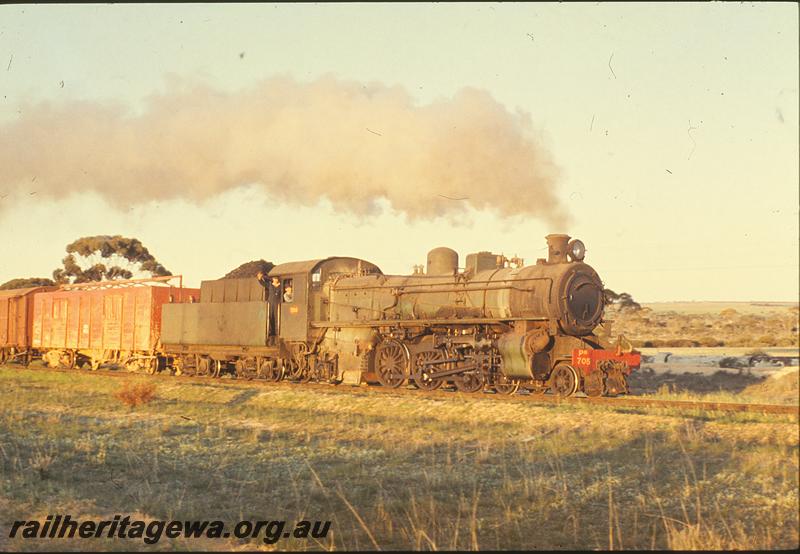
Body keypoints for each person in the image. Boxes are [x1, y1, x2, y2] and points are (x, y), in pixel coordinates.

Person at [257, 272, 282, 344]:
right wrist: (259, 279)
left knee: (277, 319)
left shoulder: (281, 286)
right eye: (274, 278)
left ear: (278, 279)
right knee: (270, 319)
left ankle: (278, 337)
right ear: (272, 279)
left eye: (276, 278)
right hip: (270, 304)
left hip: (278, 304)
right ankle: (271, 337)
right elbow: (262, 283)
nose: (275, 280)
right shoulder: (270, 285)